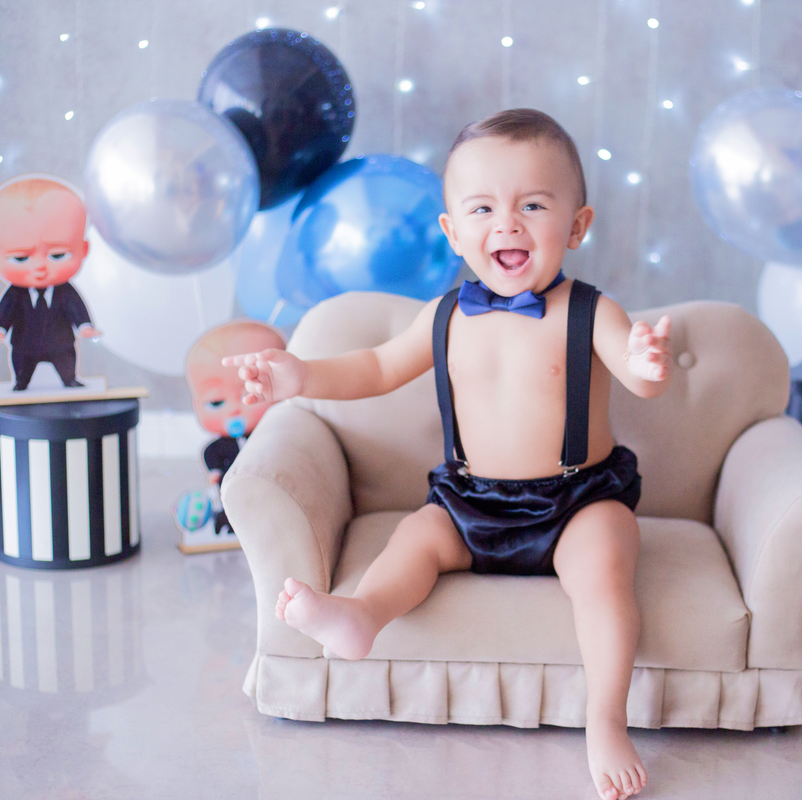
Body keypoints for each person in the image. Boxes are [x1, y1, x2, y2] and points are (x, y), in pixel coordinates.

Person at [226, 109, 671, 800]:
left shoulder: (591, 311)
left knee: (606, 565)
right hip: (472, 500)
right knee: (418, 536)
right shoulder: (443, 316)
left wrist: (646, 360)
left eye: (532, 205)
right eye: (484, 208)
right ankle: (361, 614)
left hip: (578, 498)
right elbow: (373, 368)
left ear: (577, 226)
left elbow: (637, 374)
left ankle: (606, 721)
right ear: (453, 231)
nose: (509, 224)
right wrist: (300, 375)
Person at [0, 175, 101, 390]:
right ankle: (21, 382)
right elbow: (5, 310)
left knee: (66, 360)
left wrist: (85, 326)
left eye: (57, 255)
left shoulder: (65, 291)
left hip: (60, 342)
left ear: (83, 250)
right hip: (25, 343)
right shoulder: (15, 294)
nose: (39, 267)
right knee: (21, 364)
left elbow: (77, 308)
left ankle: (69, 379)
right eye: (21, 258)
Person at [186, 321, 287, 535]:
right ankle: (226, 523)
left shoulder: (273, 437)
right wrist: (214, 472)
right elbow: (211, 455)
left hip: (268, 488)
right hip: (229, 489)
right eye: (216, 402)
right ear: (196, 404)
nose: (234, 410)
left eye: (247, 395)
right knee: (229, 506)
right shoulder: (218, 448)